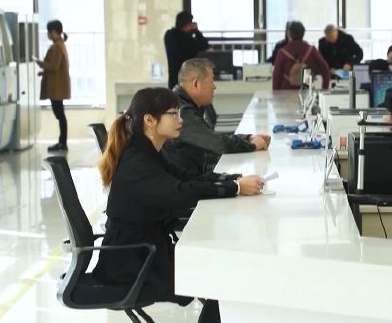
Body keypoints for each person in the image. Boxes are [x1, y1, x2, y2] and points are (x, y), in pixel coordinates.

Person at [93, 87, 264, 323]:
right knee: (223, 278)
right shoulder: (137, 162)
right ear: (149, 120)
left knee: (222, 274)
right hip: (134, 265)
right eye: (173, 114)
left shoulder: (148, 152)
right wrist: (234, 188)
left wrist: (232, 179)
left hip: (147, 252)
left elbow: (186, 178)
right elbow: (180, 193)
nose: (180, 120)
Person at [163, 58, 271, 175]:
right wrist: (252, 145)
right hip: (184, 180)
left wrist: (247, 138)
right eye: (211, 81)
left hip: (193, 173)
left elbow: (210, 136)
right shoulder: (180, 111)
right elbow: (218, 143)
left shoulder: (186, 104)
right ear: (196, 84)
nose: (214, 86)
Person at [37, 20, 71, 152]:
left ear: (53, 32)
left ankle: (62, 142)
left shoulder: (57, 47)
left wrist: (41, 64)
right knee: (60, 114)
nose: (47, 34)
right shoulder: (59, 45)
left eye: (48, 31)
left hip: (57, 86)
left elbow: (54, 66)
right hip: (57, 85)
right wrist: (44, 71)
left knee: (60, 114)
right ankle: (62, 141)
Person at [272, 21, 331, 90]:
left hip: (287, 90)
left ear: (289, 33)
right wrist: (324, 88)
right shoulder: (311, 50)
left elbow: (277, 75)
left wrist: (276, 92)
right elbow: (325, 69)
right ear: (303, 33)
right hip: (306, 89)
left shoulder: (282, 52)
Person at [164, 11, 209, 89]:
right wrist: (196, 31)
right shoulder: (187, 40)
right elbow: (204, 45)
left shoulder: (169, 35)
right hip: (188, 81)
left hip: (173, 80)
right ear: (188, 24)